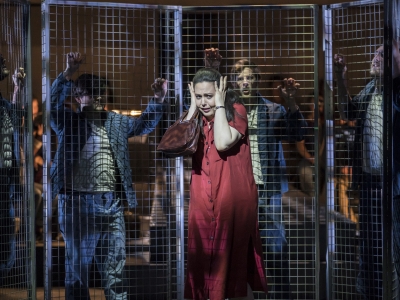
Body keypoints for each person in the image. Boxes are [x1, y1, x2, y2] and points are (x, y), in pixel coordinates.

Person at [50, 51, 168, 299]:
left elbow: (143, 124)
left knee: (115, 270)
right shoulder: (67, 122)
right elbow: (51, 105)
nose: (96, 98)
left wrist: (158, 99)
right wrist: (68, 72)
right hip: (76, 205)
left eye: (100, 93)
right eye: (90, 93)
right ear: (78, 97)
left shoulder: (116, 122)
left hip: (110, 205)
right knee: (78, 271)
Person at [182, 67, 268, 299]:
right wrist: (192, 107)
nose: (204, 102)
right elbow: (176, 143)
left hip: (232, 199)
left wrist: (219, 105)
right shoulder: (196, 116)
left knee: (233, 262)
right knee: (202, 258)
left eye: (208, 96)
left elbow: (222, 142)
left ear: (220, 92)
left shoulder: (236, 110)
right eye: (199, 96)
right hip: (203, 198)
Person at [227, 56, 305, 299]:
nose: (246, 82)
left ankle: (281, 296)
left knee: (275, 248)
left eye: (250, 77)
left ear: (257, 80)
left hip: (267, 190)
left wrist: (291, 103)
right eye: (241, 78)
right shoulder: (228, 112)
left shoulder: (273, 109)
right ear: (234, 82)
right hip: (237, 192)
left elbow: (295, 133)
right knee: (236, 250)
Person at [334, 40, 400, 300]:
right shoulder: (371, 88)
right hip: (370, 183)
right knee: (370, 247)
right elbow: (346, 111)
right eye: (375, 53)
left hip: (393, 187)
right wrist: (340, 78)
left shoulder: (396, 92)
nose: (374, 58)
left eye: (382, 55)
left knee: (394, 246)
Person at [0, 63, 25, 284]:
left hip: (3, 176)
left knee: (6, 229)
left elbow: (16, 118)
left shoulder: (3, 105)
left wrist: (17, 88)